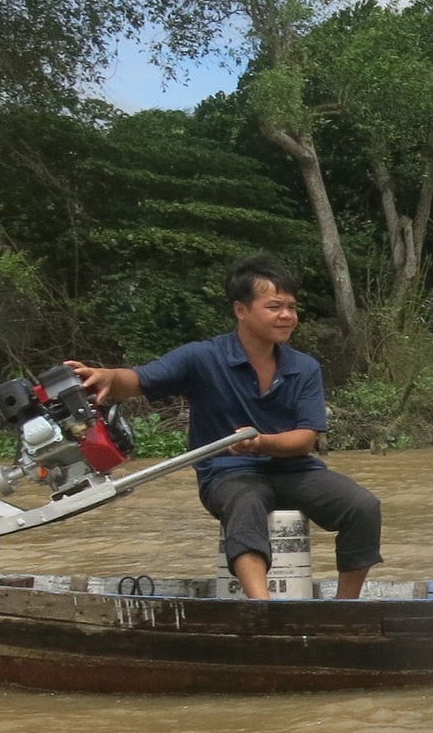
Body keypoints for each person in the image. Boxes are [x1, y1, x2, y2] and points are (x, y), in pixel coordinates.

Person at [72, 257, 380, 601]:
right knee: (245, 503)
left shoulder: (304, 367)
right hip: (227, 473)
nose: (287, 315)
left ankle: (345, 605)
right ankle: (263, 608)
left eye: (291, 307)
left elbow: (304, 440)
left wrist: (260, 443)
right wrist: (108, 377)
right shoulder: (202, 357)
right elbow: (138, 379)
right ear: (241, 310)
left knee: (362, 506)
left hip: (294, 470)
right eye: (274, 306)